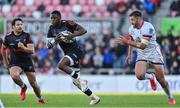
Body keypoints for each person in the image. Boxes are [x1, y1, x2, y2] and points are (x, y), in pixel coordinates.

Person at [115, 10, 175, 105]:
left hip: (153, 53)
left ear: (139, 19)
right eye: (130, 20)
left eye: (132, 20)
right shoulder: (132, 28)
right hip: (142, 54)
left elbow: (143, 45)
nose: (131, 22)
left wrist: (126, 42)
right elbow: (131, 40)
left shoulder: (148, 28)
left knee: (161, 80)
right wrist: (130, 54)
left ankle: (170, 96)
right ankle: (151, 77)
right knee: (139, 75)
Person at [46, 10, 100, 105]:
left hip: (76, 51)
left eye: (55, 18)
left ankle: (82, 80)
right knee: (76, 83)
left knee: (61, 65)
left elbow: (83, 30)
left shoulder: (68, 23)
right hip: (67, 53)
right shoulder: (51, 29)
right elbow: (48, 46)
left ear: (60, 18)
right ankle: (94, 97)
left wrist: (72, 35)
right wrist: (55, 40)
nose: (52, 20)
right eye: (51, 18)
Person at [1, 18, 45, 104]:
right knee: (14, 75)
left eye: (21, 24)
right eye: (18, 25)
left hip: (27, 61)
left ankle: (40, 98)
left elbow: (32, 50)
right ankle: (23, 86)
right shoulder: (8, 37)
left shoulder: (26, 36)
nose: (20, 26)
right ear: (13, 26)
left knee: (34, 84)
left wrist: (23, 47)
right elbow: (3, 49)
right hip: (15, 62)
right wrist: (5, 62)